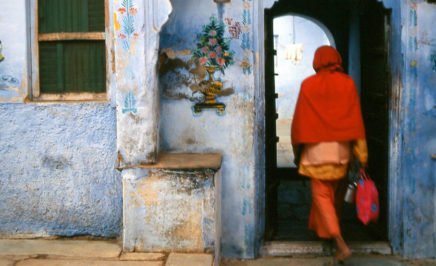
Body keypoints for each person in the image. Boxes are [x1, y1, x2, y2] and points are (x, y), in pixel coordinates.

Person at [291, 45, 368, 262]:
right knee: (333, 194)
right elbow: (356, 121)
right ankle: (325, 234)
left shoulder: (308, 84)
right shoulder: (348, 83)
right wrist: (361, 155)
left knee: (322, 196)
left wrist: (297, 151)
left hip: (316, 152)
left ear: (316, 61)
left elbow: (299, 121)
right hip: (341, 152)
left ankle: (340, 243)